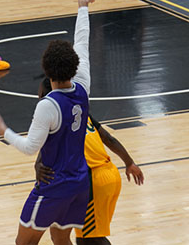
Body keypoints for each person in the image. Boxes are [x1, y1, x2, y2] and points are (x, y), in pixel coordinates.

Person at [0, 0, 95, 245]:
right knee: (60, 238)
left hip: (54, 186)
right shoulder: (83, 85)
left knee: (24, 243)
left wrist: (2, 129)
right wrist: (82, 7)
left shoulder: (48, 105)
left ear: (46, 71)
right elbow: (82, 42)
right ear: (74, 66)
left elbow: (30, 148)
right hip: (80, 183)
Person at [34, 76, 144, 244]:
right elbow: (108, 138)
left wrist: (38, 166)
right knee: (65, 235)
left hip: (94, 180)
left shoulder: (51, 117)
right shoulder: (79, 111)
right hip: (108, 175)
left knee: (90, 240)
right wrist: (129, 163)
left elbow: (46, 151)